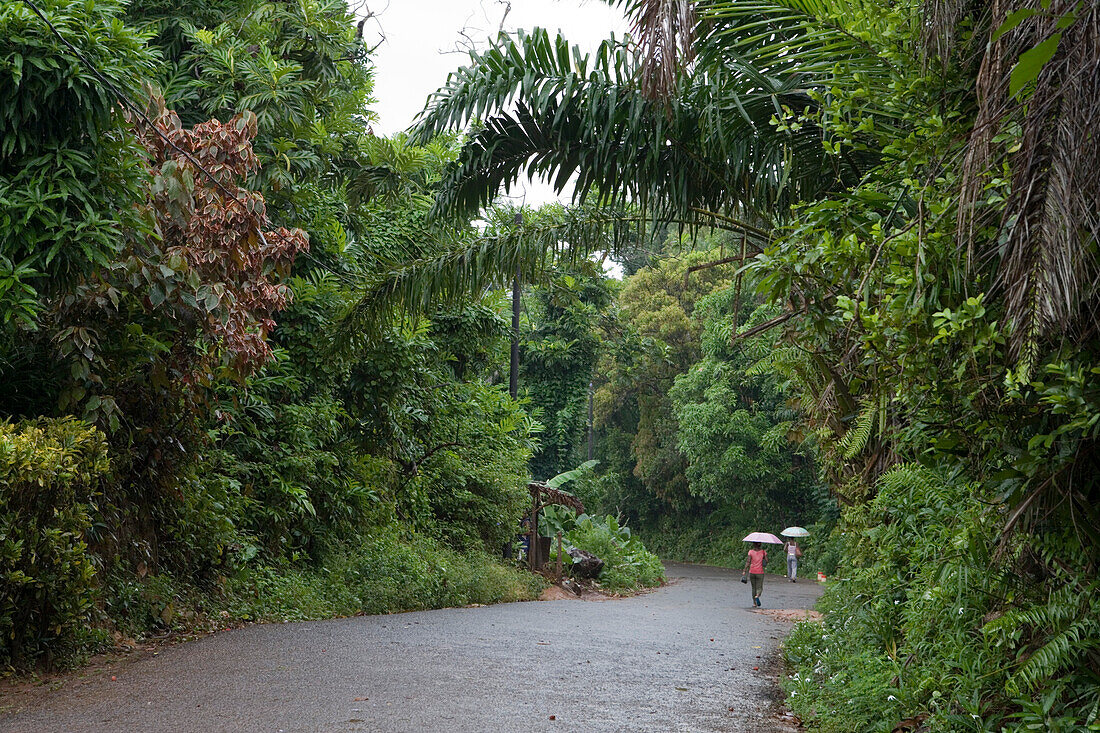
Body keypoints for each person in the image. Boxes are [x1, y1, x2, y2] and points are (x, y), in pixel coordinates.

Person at [742, 542, 768, 607]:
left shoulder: (750, 552)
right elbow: (767, 561)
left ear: (753, 544)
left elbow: (748, 562)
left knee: (753, 588)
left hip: (752, 572)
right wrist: (764, 555)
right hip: (760, 572)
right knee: (759, 588)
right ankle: (757, 595)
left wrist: (744, 570)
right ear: (760, 544)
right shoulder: (763, 552)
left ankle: (754, 603)